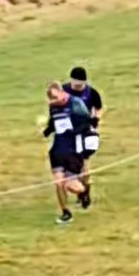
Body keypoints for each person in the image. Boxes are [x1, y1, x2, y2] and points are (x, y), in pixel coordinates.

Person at [43, 81, 92, 225]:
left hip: (73, 150)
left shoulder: (75, 104)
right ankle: (66, 212)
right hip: (57, 149)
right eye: (51, 99)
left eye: (55, 97)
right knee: (58, 183)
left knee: (70, 185)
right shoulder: (53, 107)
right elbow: (54, 123)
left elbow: (86, 121)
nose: (53, 102)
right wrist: (47, 131)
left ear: (62, 93)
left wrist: (74, 132)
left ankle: (84, 191)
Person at [62, 66, 105, 198]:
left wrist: (96, 119)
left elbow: (99, 108)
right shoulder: (64, 90)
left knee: (83, 163)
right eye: (75, 84)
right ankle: (81, 188)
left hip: (86, 131)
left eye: (80, 85)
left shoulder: (91, 93)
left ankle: (85, 190)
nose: (78, 87)